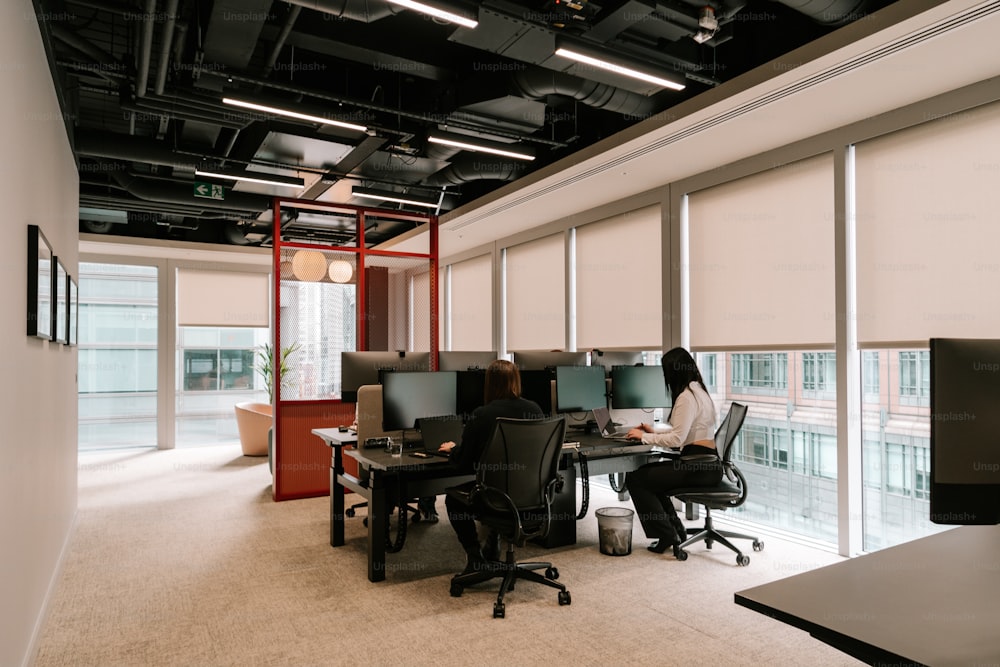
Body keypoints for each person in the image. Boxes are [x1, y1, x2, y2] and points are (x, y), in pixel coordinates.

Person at [437, 359, 545, 575]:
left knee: (454, 499)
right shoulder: (535, 410)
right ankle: (493, 542)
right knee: (496, 486)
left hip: (494, 499)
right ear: (516, 381)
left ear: (488, 384)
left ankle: (476, 558)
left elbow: (464, 464)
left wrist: (453, 449)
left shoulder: (481, 415)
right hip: (532, 497)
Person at [624, 347, 722, 558]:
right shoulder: (699, 391)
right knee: (652, 478)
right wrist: (654, 432)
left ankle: (668, 535)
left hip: (697, 466)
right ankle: (675, 531)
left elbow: (677, 440)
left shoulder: (686, 397)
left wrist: (643, 437)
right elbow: (683, 435)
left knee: (637, 479)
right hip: (706, 464)